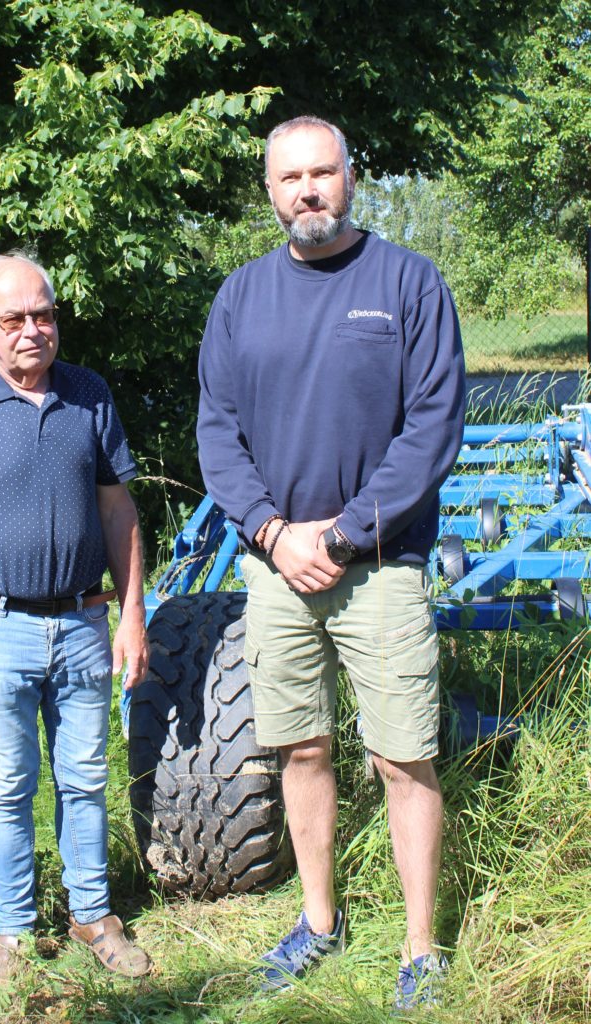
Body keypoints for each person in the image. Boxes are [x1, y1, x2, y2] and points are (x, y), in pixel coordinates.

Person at [197, 116, 465, 1007]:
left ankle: (421, 947)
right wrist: (275, 535)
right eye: (289, 178)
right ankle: (319, 921)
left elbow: (431, 428)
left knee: (402, 758)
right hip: (276, 569)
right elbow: (217, 435)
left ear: (352, 176)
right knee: (300, 749)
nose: (307, 190)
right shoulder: (239, 298)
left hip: (380, 565)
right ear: (269, 191)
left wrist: (344, 535)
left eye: (323, 173)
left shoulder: (407, 282)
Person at [0, 251, 151, 994]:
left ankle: (93, 915)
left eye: (43, 314)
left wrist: (131, 614)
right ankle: (13, 932)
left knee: (83, 777)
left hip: (82, 622)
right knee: (10, 783)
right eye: (13, 319)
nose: (32, 331)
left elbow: (119, 510)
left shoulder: (90, 396)